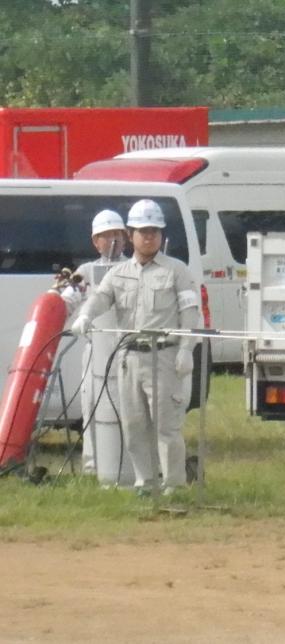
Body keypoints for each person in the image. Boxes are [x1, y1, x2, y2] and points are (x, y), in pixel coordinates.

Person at [71, 199, 200, 495]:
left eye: (154, 231)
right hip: (129, 358)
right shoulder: (119, 273)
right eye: (143, 231)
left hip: (164, 356)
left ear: (161, 234)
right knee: (133, 425)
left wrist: (185, 348)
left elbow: (191, 311)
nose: (149, 236)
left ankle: (173, 485)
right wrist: (86, 316)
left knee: (166, 427)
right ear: (131, 235)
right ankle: (146, 482)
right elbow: (100, 297)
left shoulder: (176, 270)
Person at [62, 209, 134, 486]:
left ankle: (131, 464)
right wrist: (59, 302)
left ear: (126, 238)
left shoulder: (134, 267)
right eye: (105, 236)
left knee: (129, 406)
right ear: (95, 241)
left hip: (127, 349)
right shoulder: (87, 271)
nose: (112, 241)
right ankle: (93, 468)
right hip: (96, 349)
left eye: (117, 234)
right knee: (91, 404)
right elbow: (70, 296)